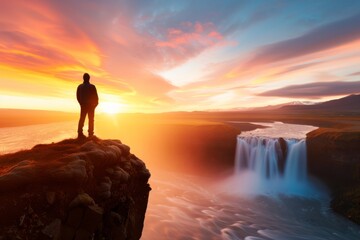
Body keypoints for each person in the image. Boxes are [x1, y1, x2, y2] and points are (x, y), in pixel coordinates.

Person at [77, 73, 98, 138]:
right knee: (91, 120)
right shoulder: (92, 86)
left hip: (83, 105)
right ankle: (90, 134)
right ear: (89, 78)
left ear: (83, 78)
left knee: (82, 119)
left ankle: (80, 133)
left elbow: (77, 96)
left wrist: (81, 103)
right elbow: (96, 97)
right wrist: (95, 105)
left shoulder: (80, 86)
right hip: (91, 106)